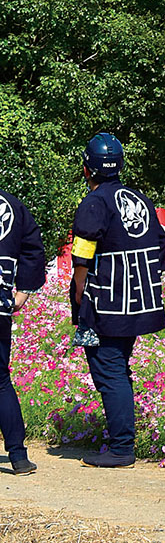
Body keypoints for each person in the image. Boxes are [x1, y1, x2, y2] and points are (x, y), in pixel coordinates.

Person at [70, 133, 165, 468]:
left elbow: (83, 251)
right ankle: (122, 438)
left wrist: (80, 292)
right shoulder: (138, 198)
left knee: (109, 370)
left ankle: (122, 447)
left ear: (87, 169)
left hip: (107, 302)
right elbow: (161, 244)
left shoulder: (95, 202)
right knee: (118, 367)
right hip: (138, 302)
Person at [0, 188, 45, 474]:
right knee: (1, 381)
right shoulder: (12, 205)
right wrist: (24, 290)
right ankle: (18, 456)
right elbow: (33, 247)